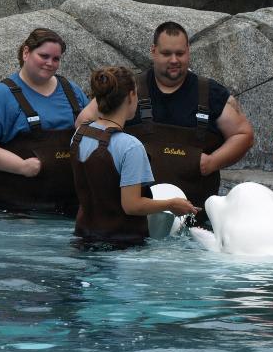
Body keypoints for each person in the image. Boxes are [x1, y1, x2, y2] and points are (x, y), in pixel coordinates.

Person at [75, 22, 254, 211]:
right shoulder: (128, 89)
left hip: (195, 217)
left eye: (180, 53)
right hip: (136, 216)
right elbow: (83, 123)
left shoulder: (211, 93)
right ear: (153, 51)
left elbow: (243, 134)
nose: (174, 60)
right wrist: (117, 158)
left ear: (188, 51)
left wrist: (212, 162)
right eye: (167, 53)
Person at [0, 28, 89, 214]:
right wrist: (21, 166)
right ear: (26, 53)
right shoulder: (0, 96)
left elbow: (94, 128)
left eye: (56, 59)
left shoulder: (71, 90)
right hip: (12, 209)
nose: (50, 63)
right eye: (44, 56)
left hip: (66, 206)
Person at [70, 67, 199, 247]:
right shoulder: (130, 146)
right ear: (131, 96)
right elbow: (132, 206)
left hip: (83, 238)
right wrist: (171, 204)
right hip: (122, 246)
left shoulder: (78, 135)